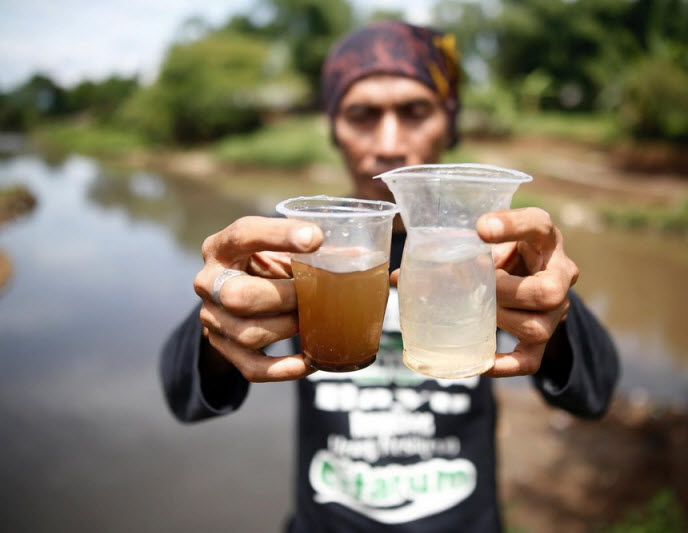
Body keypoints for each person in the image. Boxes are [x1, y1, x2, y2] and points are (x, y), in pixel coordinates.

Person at [161, 20, 619, 533]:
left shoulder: (492, 250)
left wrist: (553, 312)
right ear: (334, 128)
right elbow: (184, 398)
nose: (389, 143)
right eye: (362, 115)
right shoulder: (297, 248)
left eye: (415, 112)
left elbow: (594, 393)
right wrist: (220, 322)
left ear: (449, 123)